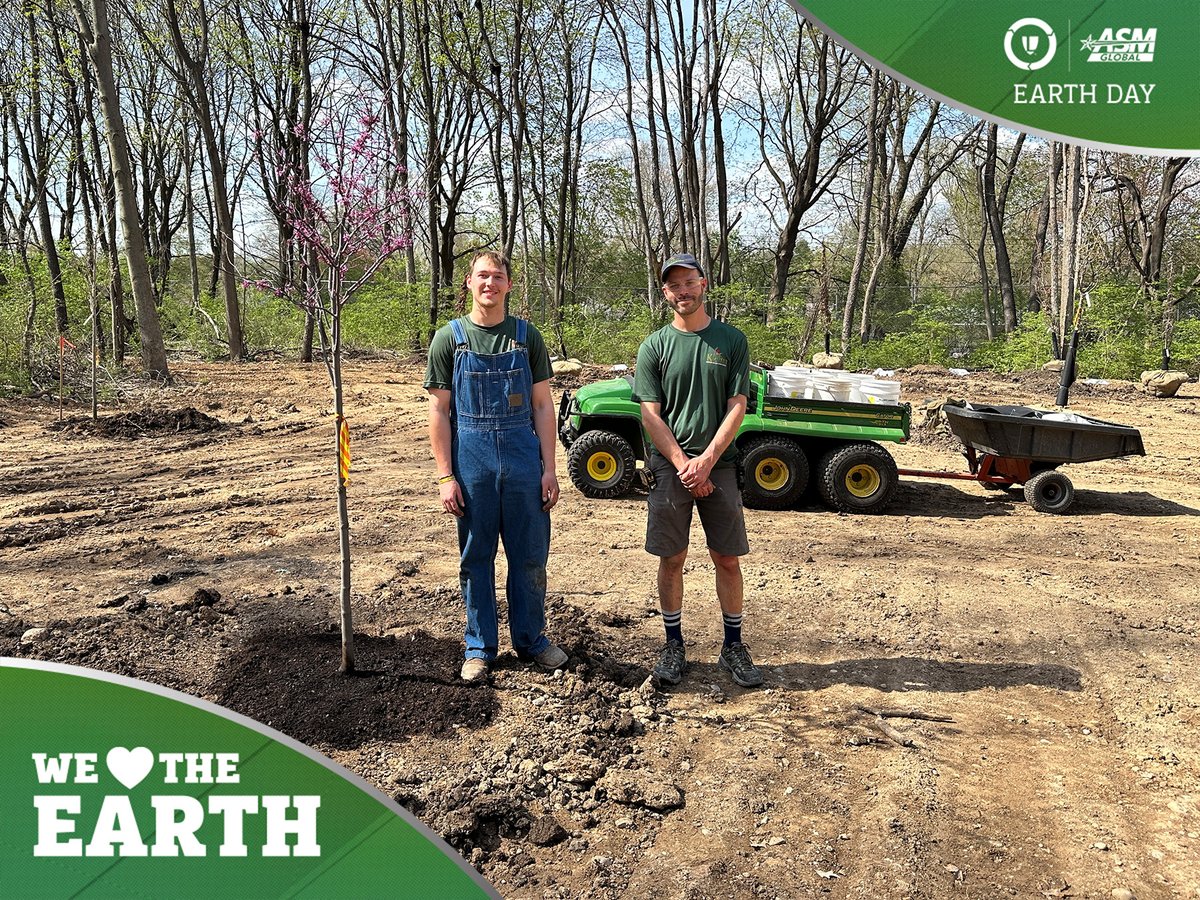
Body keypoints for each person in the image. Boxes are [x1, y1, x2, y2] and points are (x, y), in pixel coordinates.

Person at [424, 250, 568, 682]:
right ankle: (479, 648)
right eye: (482, 276)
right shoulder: (449, 339)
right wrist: (446, 476)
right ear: (469, 282)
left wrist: (549, 468)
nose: (490, 283)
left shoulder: (526, 337)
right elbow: (438, 411)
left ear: (508, 285)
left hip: (524, 461)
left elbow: (543, 406)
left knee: (530, 557)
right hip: (473, 463)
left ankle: (531, 640)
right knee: (476, 557)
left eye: (498, 276)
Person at [632, 252, 762, 688]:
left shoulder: (731, 340)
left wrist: (706, 461)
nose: (682, 291)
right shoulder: (654, 347)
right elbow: (650, 415)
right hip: (670, 467)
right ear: (665, 292)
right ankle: (673, 645)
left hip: (719, 465)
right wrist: (683, 464)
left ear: (703, 285)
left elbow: (737, 406)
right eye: (674, 285)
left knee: (726, 557)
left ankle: (733, 646)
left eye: (689, 282)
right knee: (672, 558)